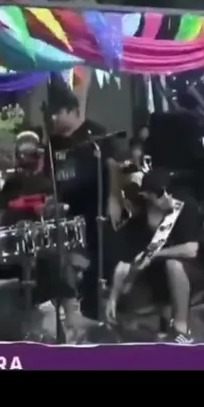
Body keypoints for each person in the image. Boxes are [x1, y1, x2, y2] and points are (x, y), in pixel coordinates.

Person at [0, 131, 89, 340]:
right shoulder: (10, 184)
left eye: (32, 152)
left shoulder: (48, 183)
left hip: (41, 245)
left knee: (57, 259)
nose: (27, 157)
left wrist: (48, 210)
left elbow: (55, 212)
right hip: (13, 245)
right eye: (23, 152)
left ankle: (71, 316)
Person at [46, 82, 124, 319]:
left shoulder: (95, 133)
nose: (53, 118)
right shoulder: (52, 142)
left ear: (71, 111)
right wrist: (50, 200)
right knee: (64, 257)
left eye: (57, 113)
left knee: (98, 257)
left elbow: (113, 166)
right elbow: (50, 176)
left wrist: (114, 199)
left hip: (95, 206)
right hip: (67, 210)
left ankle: (97, 308)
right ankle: (71, 309)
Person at [108, 169, 204, 344]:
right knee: (125, 301)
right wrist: (113, 298)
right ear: (147, 196)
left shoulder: (185, 207)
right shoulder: (138, 221)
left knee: (173, 265)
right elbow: (124, 263)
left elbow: (191, 249)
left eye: (169, 192)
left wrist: (154, 254)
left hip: (188, 273)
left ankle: (180, 329)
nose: (167, 197)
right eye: (160, 194)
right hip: (153, 278)